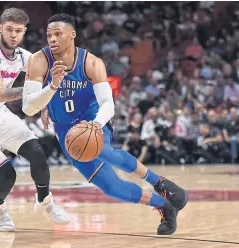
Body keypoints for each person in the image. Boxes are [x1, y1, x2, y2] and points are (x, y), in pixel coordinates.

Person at [22, 13, 188, 235]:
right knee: (112, 188)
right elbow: (28, 108)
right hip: (65, 131)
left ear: (72, 35)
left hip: (93, 119)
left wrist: (95, 125)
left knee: (103, 150)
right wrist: (50, 90)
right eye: (49, 35)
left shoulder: (91, 62)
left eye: (58, 34)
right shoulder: (38, 61)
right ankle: (163, 205)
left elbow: (108, 104)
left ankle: (158, 182)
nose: (52, 39)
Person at [0, 8, 70, 232]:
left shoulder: (25, 57)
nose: (13, 35)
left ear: (24, 31)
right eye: (9, 29)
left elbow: (39, 84)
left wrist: (43, 103)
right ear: (0, 28)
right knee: (7, 175)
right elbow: (0, 93)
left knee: (36, 152)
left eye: (18, 31)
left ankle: (45, 201)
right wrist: (35, 90)